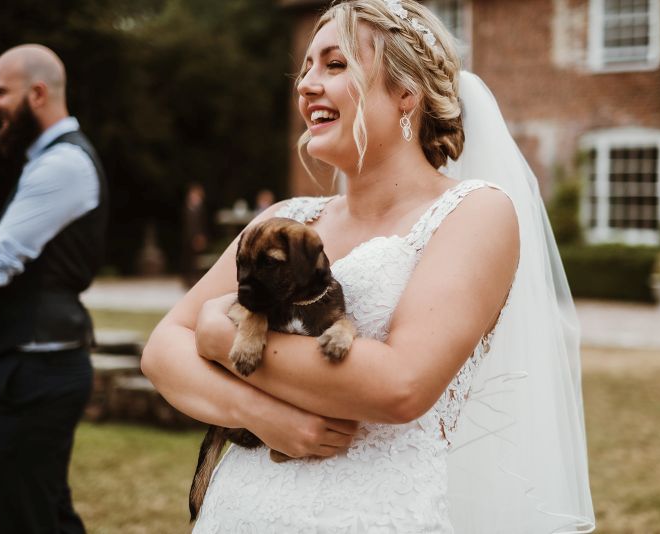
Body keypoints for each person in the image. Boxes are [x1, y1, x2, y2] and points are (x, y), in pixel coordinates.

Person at [142, 0, 595, 532]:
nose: (307, 84)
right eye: (306, 67)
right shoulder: (286, 220)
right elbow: (161, 350)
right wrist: (263, 416)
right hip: (240, 510)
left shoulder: (476, 213)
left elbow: (400, 384)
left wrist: (222, 334)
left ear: (406, 92)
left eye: (335, 65)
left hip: (372, 514)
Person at [0, 44, 107, 533]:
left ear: (37, 93)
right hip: (30, 364)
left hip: (34, 369)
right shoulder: (44, 162)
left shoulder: (62, 165)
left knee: (25, 517)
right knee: (45, 512)